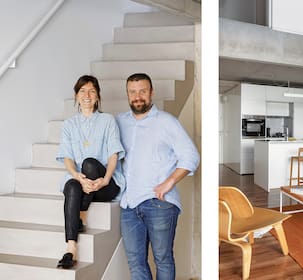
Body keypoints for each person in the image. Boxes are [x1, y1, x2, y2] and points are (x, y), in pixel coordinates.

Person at [116, 73, 199, 280]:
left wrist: (169, 182)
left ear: (151, 93)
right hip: (129, 205)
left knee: (163, 259)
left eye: (142, 91)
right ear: (127, 94)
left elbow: (191, 156)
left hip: (159, 203)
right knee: (136, 263)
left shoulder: (166, 122)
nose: (138, 96)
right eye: (132, 92)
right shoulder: (118, 122)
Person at [56, 75, 125, 269]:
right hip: (82, 181)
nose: (87, 95)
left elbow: (113, 154)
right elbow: (67, 157)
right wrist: (76, 176)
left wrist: (105, 179)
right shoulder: (69, 124)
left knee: (89, 164)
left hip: (105, 185)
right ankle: (71, 248)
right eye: (82, 91)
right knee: (71, 185)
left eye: (92, 91)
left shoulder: (107, 120)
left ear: (98, 96)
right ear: (76, 96)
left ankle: (82, 215)